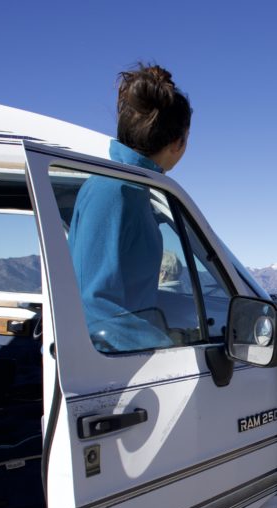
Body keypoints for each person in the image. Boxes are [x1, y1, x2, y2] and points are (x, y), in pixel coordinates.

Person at [68, 63, 192, 353]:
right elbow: (93, 305)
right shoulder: (113, 190)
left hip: (124, 359)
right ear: (178, 142)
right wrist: (164, 346)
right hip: (110, 369)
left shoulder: (133, 188)